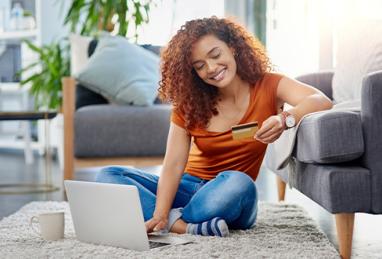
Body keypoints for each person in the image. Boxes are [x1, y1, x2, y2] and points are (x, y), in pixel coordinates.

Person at [96, 17, 332, 237]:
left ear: (233, 47)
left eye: (215, 54)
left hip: (229, 194)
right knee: (108, 175)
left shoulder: (269, 85)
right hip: (188, 188)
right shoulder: (189, 104)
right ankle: (184, 224)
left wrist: (285, 119)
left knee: (240, 182)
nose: (210, 68)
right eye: (199, 65)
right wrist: (159, 212)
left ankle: (178, 222)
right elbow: (174, 164)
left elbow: (320, 100)